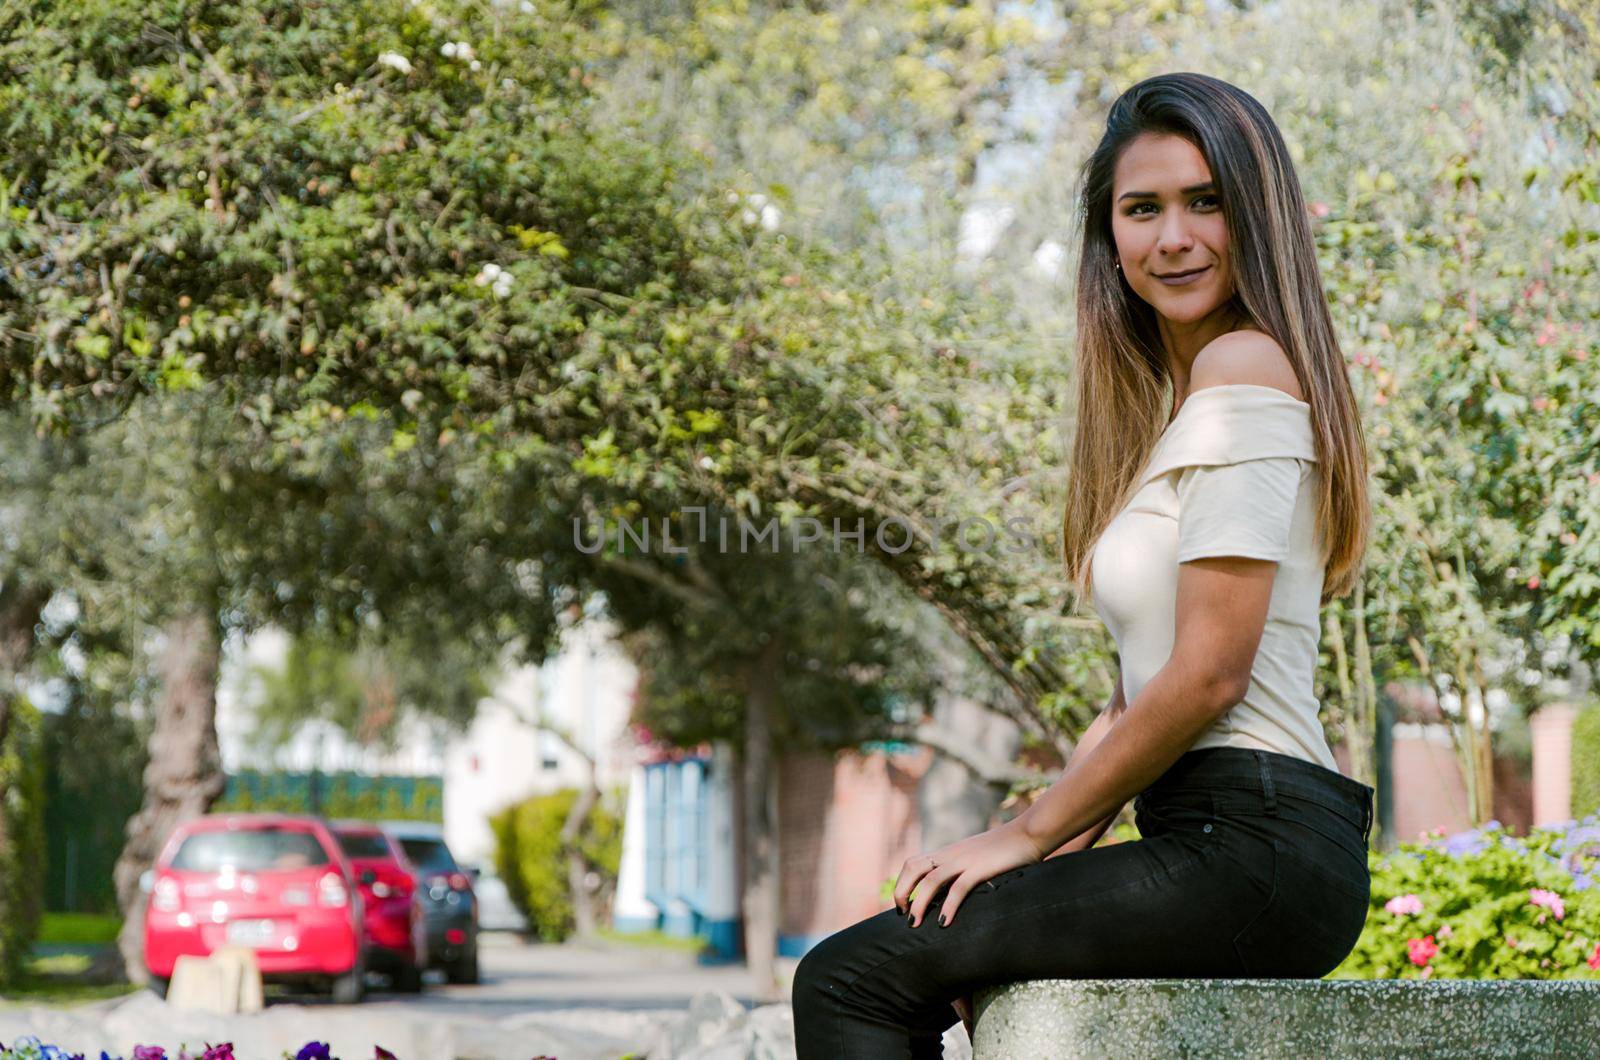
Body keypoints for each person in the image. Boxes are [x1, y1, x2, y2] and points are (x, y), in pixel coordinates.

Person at [790, 71, 1376, 1058]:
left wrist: (1019, 839)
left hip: (1257, 845)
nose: (1172, 237)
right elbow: (1132, 697)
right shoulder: (1187, 407)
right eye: (1140, 209)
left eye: (1206, 202)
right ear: (1108, 236)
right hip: (1218, 836)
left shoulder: (1245, 372)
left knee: (848, 980)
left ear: (1257, 217)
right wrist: (1030, 862)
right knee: (911, 948)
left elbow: (1208, 674)